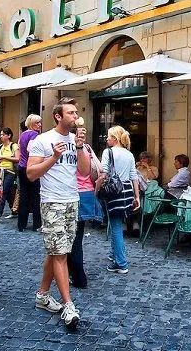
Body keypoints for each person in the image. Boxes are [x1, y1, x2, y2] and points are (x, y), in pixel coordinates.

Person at [27, 98, 91, 328]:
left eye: (76, 112)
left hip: (72, 200)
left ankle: (42, 296)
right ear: (58, 116)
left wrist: (81, 146)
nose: (75, 116)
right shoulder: (42, 141)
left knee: (57, 251)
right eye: (71, 113)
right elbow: (31, 174)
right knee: (61, 254)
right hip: (52, 202)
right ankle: (69, 306)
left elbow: (85, 172)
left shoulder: (76, 140)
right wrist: (53, 157)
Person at [99, 125, 140, 274]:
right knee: (117, 222)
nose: (107, 139)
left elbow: (103, 173)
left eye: (109, 136)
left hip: (114, 191)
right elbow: (133, 175)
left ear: (115, 138)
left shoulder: (107, 152)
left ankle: (121, 263)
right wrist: (137, 196)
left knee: (115, 225)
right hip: (127, 190)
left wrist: (97, 188)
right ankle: (114, 253)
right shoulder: (129, 154)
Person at [68, 142, 103, 289]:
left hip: (72, 194)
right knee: (77, 237)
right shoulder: (87, 147)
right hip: (87, 193)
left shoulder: (67, 148)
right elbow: (100, 170)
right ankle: (74, 274)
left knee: (70, 239)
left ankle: (78, 276)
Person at [18, 114, 43, 232]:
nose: (40, 125)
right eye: (37, 123)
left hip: (21, 167)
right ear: (32, 124)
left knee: (23, 195)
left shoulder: (23, 134)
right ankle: (37, 224)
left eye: (40, 122)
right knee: (35, 195)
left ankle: (21, 224)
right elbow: (30, 149)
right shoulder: (34, 135)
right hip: (31, 167)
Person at [0, 127, 20, 224]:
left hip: (10, 171)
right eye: (1, 134)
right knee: (7, 192)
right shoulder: (0, 147)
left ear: (9, 136)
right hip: (1, 171)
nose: (1, 136)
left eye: (3, 134)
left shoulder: (13, 146)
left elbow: (18, 158)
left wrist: (3, 157)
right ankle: (14, 209)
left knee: (3, 192)